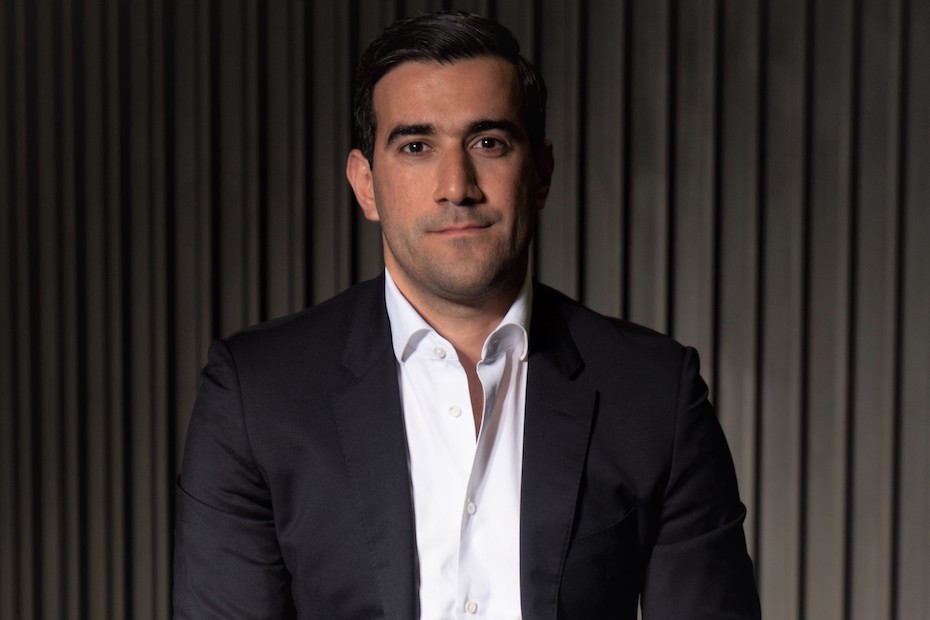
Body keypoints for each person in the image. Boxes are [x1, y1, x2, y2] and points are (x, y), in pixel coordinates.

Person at [173, 10, 760, 619]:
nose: (457, 186)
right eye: (416, 146)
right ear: (366, 184)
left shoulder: (654, 394)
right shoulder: (256, 395)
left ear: (541, 174)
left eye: (488, 143)